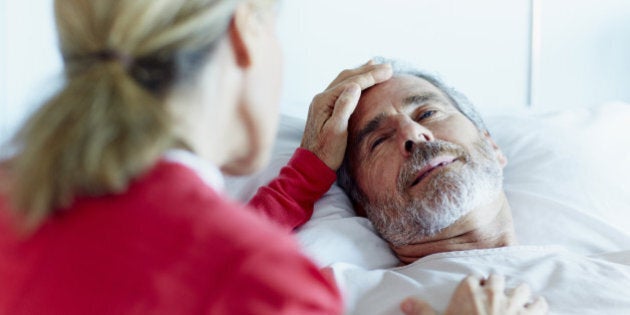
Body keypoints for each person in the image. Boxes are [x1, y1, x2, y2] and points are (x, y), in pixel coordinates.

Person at [0, 1, 544, 314]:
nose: (411, 136)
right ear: (246, 33)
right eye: (375, 140)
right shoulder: (266, 280)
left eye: (427, 114)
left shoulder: (20, 208)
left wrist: (303, 173)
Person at [337, 58, 520, 262]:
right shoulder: (341, 291)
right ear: (361, 205)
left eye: (428, 113)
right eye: (379, 141)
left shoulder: (561, 273)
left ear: (491, 145)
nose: (412, 133)